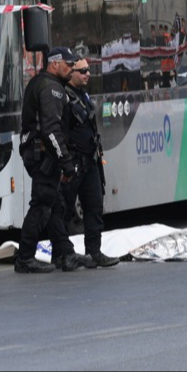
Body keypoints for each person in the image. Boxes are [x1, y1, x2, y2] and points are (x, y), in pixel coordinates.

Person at [15, 47, 95, 274]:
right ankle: (25, 257)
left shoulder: (41, 83)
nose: (71, 69)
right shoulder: (52, 88)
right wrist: (66, 162)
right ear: (54, 63)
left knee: (53, 204)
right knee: (41, 205)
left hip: (39, 153)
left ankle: (65, 254)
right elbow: (51, 131)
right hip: (44, 155)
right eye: (68, 65)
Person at [62, 59, 119, 268]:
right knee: (65, 209)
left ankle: (94, 252)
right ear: (71, 72)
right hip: (74, 161)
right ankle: (62, 253)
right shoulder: (63, 96)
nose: (88, 74)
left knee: (94, 205)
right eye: (83, 71)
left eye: (89, 70)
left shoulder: (83, 96)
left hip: (91, 159)